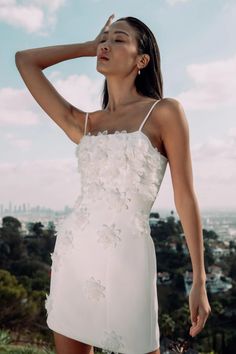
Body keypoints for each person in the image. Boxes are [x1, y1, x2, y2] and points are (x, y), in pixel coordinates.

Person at [15, 13, 211, 354]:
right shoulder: (85, 122)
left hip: (128, 258)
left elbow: (185, 197)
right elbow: (25, 60)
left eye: (118, 39)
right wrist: (88, 47)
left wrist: (199, 279)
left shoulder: (164, 112)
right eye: (104, 39)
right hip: (74, 254)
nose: (106, 45)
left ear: (142, 59)